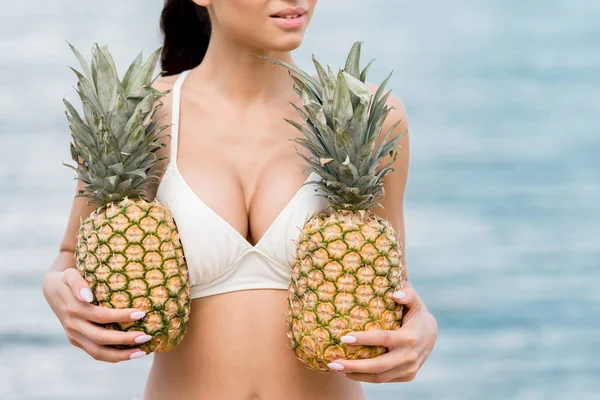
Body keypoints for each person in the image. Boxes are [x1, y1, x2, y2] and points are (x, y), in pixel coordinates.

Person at [42, 0, 438, 398]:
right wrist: (61, 295)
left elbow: (393, 287)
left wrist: (422, 330)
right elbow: (70, 254)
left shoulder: (365, 115)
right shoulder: (137, 115)